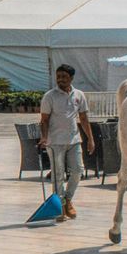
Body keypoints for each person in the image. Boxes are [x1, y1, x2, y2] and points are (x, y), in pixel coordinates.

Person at [37, 64, 95, 220]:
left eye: (64, 76)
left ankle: (68, 199)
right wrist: (44, 137)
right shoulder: (50, 96)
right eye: (58, 76)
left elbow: (83, 118)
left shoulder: (79, 95)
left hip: (74, 140)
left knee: (78, 170)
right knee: (58, 175)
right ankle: (60, 205)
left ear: (71, 78)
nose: (60, 80)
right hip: (54, 142)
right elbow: (44, 120)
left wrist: (90, 139)